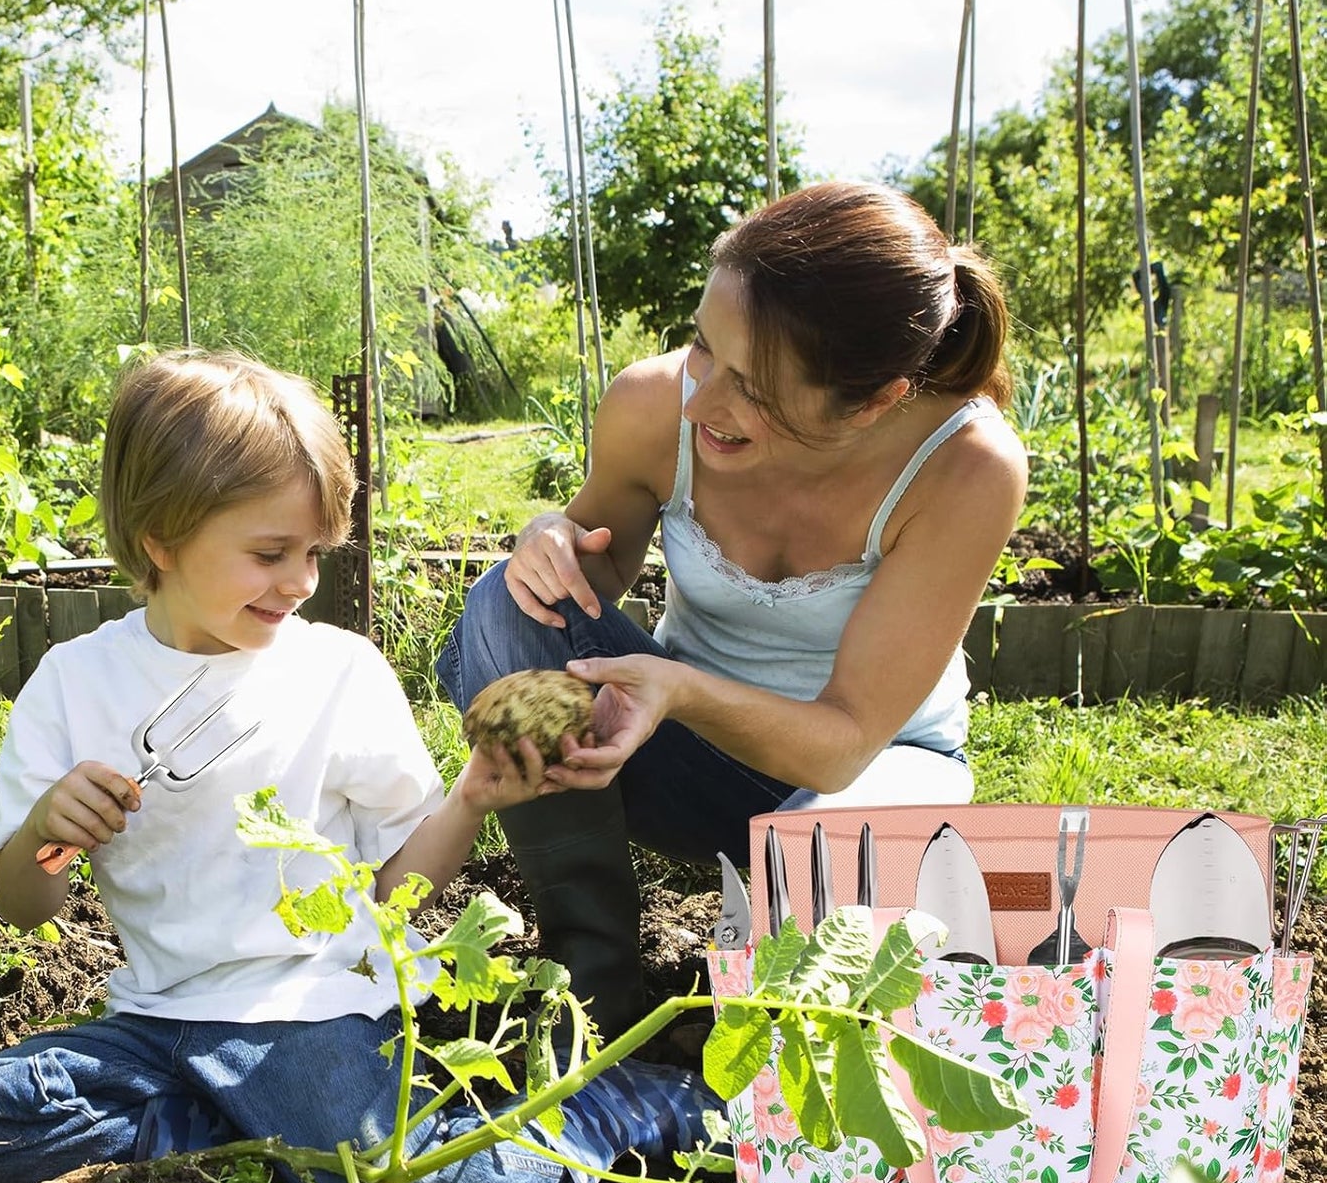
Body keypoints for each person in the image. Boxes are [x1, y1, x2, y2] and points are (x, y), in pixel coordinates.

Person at [0, 350, 715, 1183]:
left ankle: (603, 1109)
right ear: (159, 537)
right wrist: (46, 832)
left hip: (304, 1013)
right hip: (155, 1022)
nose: (300, 580)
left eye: (313, 553)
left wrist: (469, 796)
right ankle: (249, 1147)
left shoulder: (334, 671)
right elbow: (23, 907)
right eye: (269, 554)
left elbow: (393, 890)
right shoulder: (73, 683)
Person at [437, 182, 1029, 1040]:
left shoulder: (964, 467)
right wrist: (551, 537)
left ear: (874, 400)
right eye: (701, 348)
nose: (700, 399)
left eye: (752, 388)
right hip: (680, 757)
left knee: (819, 884)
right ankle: (593, 984)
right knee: (506, 605)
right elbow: (591, 568)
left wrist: (678, 689)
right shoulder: (652, 405)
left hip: (864, 772)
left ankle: (735, 1027)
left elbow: (845, 739)